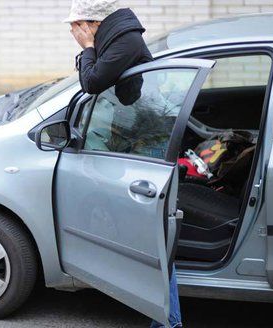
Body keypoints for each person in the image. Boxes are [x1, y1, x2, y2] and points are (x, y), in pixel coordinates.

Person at [64, 1, 182, 327]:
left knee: (153, 236)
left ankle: (169, 322)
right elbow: (123, 93)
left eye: (75, 26)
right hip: (143, 133)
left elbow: (91, 83)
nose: (72, 33)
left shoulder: (124, 41)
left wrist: (87, 47)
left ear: (91, 23)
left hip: (153, 138)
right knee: (149, 233)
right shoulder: (118, 40)